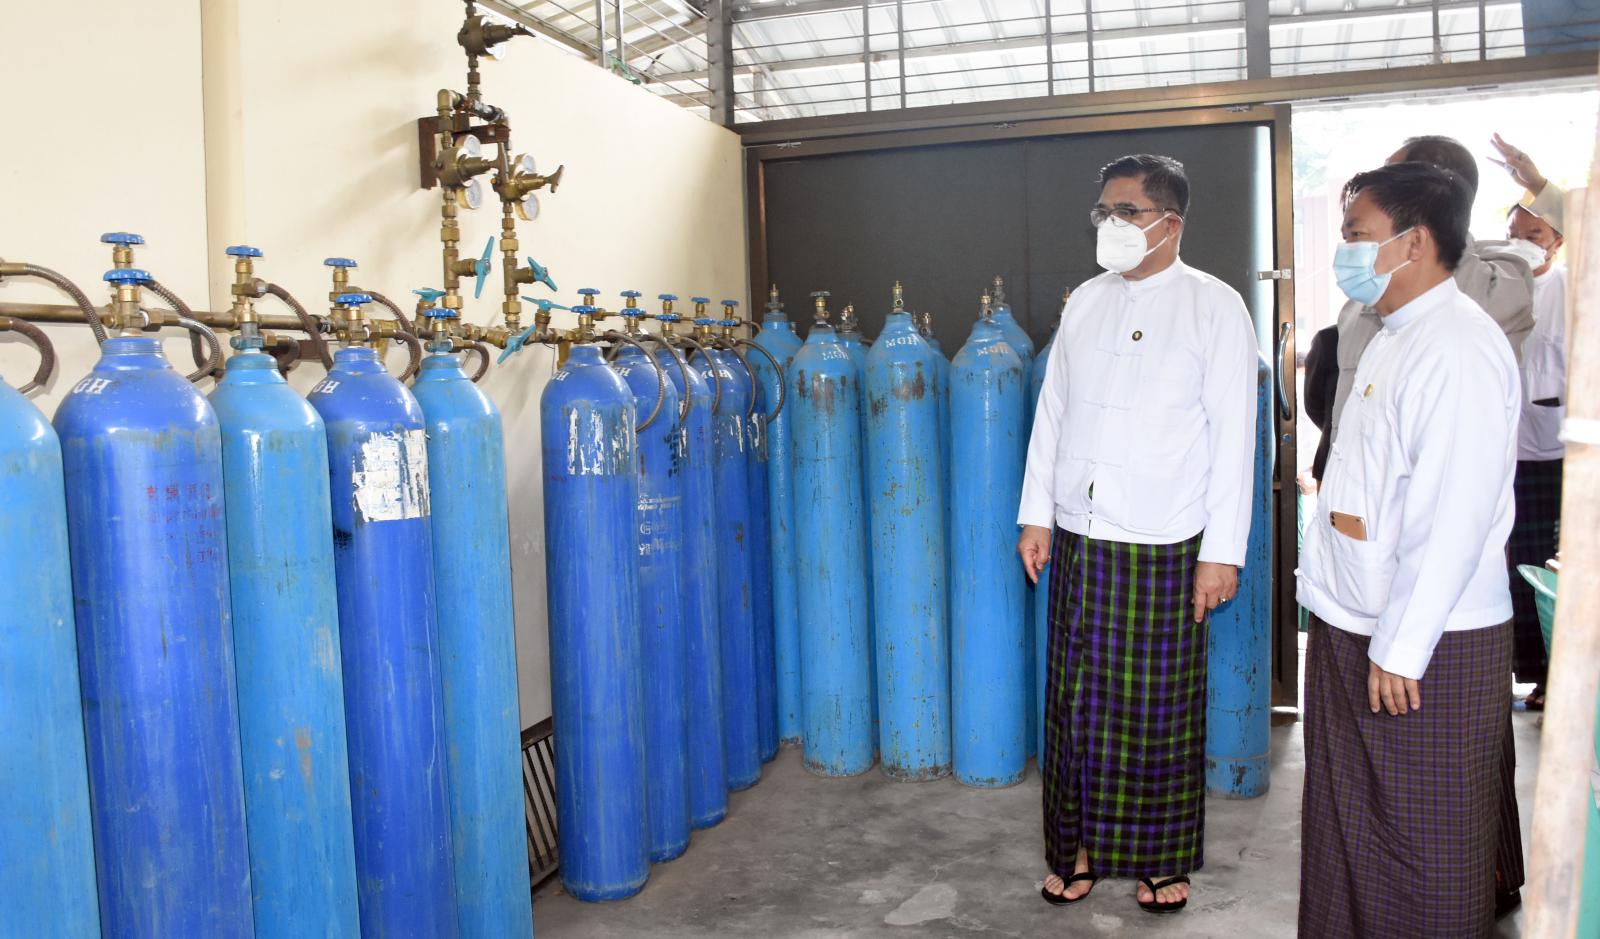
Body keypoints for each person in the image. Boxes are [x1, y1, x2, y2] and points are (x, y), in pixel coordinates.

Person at [1016, 154, 1256, 915]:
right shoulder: (1086, 302)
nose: (1110, 224)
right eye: (1105, 211)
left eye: (1127, 211)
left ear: (1170, 223)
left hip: (1165, 539)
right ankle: (1078, 849)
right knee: (1076, 705)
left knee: (1157, 713)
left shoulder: (1214, 307)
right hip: (1081, 534)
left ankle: (1158, 859)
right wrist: (1036, 512)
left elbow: (1233, 437)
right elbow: (1053, 411)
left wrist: (1222, 553)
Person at [1298, 161, 1520, 938]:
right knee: (1349, 834)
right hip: (1360, 621)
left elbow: (1453, 515)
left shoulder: (1457, 347)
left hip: (1424, 645)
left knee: (1423, 848)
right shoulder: (1395, 333)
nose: (1346, 250)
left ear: (1415, 241)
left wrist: (1400, 646)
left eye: (1357, 234)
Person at [1327, 136, 1535, 449]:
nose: (1379, 187)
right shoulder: (1365, 294)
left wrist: (1440, 229)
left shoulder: (1501, 276)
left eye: (1393, 176)